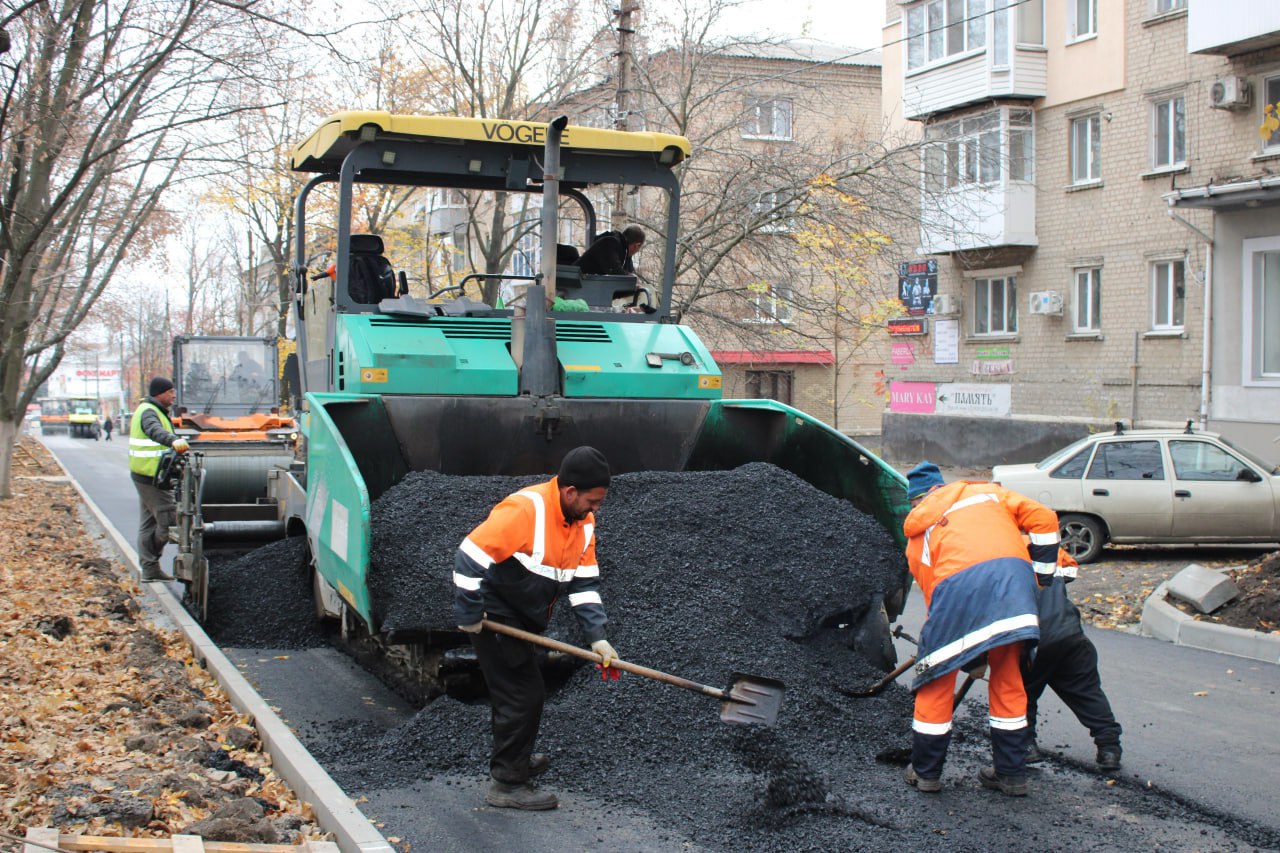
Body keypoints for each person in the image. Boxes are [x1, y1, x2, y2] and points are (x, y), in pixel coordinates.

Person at [453, 446, 620, 811]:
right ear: (570, 491)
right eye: (592, 501)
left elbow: (584, 585)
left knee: (524, 690)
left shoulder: (584, 523)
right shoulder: (525, 510)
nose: (596, 508)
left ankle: (516, 757)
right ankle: (508, 783)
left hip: (527, 616)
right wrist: (469, 613)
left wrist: (599, 638)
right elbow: (468, 556)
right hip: (496, 614)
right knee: (522, 694)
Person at [900, 461, 1060, 797]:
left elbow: (936, 603)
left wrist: (962, 652)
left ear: (917, 501)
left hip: (956, 596)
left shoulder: (917, 539)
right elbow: (1045, 518)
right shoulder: (989, 495)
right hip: (1015, 593)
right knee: (1009, 679)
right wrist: (1041, 578)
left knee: (935, 680)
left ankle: (926, 773)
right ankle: (1011, 775)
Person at [1023, 548, 1123, 772]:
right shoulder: (1048, 547)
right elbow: (1070, 572)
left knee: (1020, 694)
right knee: (1087, 693)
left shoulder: (1000, 552)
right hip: (1071, 634)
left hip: (1035, 640)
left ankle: (1025, 746)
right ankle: (1109, 749)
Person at [128, 377, 189, 583]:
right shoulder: (148, 412)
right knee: (168, 521)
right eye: (170, 392)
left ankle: (149, 568)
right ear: (159, 393)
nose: (173, 396)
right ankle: (150, 559)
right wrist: (174, 440)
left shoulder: (155, 410)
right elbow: (154, 430)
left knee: (149, 523)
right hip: (150, 477)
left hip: (148, 475)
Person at [574, 224, 644, 276]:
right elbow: (614, 270)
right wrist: (632, 278)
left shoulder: (625, 252)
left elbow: (628, 271)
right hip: (577, 282)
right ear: (637, 245)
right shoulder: (610, 243)